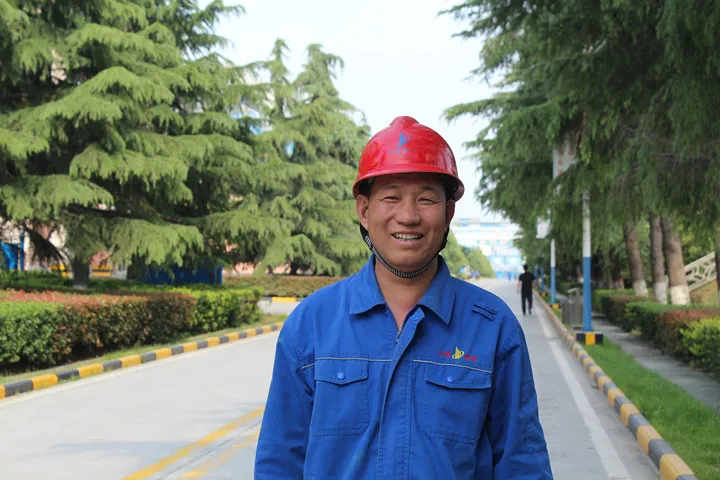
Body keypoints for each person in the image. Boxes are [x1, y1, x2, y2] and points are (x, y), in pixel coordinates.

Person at [254, 116, 553, 479]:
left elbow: (522, 463)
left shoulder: (492, 327)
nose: (408, 216)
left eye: (426, 199)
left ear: (448, 212)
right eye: (391, 197)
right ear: (364, 211)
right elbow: (279, 461)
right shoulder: (312, 323)